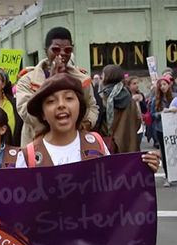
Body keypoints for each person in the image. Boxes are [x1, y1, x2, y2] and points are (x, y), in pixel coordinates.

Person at [14, 73, 159, 172]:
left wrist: (144, 168)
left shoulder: (97, 144)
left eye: (69, 98)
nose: (61, 105)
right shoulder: (29, 156)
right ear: (43, 114)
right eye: (51, 101)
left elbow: (115, 186)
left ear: (80, 107)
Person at [16, 27, 99, 146]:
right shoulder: (27, 80)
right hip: (38, 144)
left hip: (75, 143)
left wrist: (87, 123)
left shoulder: (81, 79)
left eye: (67, 50)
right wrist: (51, 81)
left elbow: (92, 106)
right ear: (46, 51)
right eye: (56, 49)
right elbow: (27, 113)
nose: (62, 54)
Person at [98, 64, 141, 154]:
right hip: (129, 145)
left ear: (107, 77)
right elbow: (138, 120)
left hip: (109, 145)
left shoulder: (102, 97)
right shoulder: (129, 97)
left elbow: (99, 124)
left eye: (103, 75)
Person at [150, 76, 177, 187]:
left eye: (164, 84)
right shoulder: (155, 99)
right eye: (160, 85)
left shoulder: (175, 97)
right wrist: (161, 114)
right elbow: (152, 115)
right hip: (161, 129)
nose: (162, 87)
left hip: (174, 128)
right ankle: (168, 176)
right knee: (166, 154)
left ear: (169, 85)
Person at [126, 76, 146, 145]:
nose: (137, 85)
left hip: (139, 124)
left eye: (137, 83)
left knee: (138, 145)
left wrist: (141, 101)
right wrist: (131, 100)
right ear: (128, 85)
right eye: (134, 83)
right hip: (129, 125)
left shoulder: (141, 94)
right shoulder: (126, 96)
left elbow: (144, 110)